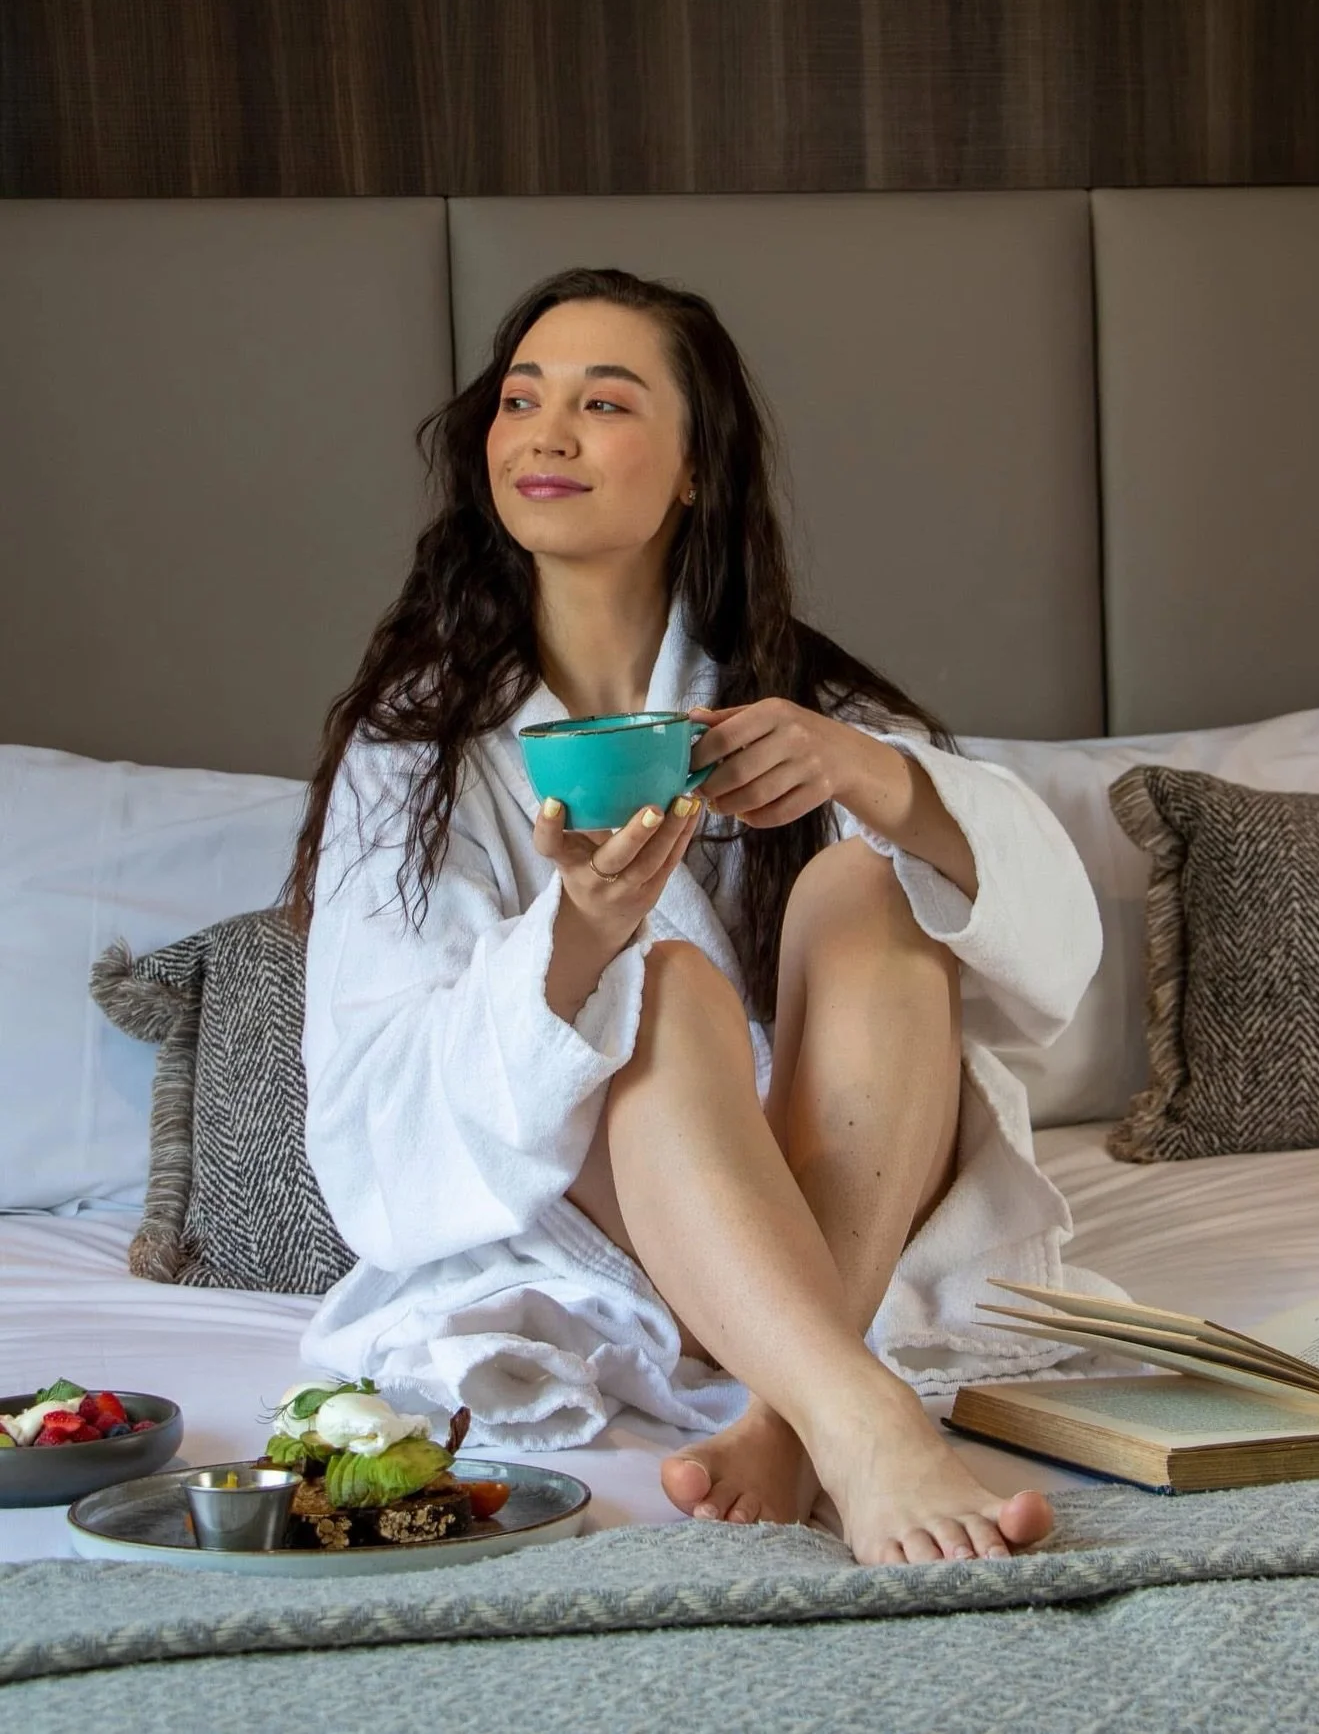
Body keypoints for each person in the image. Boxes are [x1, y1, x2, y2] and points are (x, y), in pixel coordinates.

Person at [282, 267, 1104, 1567]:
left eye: (603, 402)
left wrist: (873, 776)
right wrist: (580, 940)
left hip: (840, 1186)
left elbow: (1051, 965)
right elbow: (374, 1111)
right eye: (520, 399)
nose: (545, 433)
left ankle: (789, 1410)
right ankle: (866, 1416)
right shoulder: (417, 751)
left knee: (867, 880)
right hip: (634, 1211)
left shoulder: (798, 708)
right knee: (654, 980)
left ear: (693, 470)